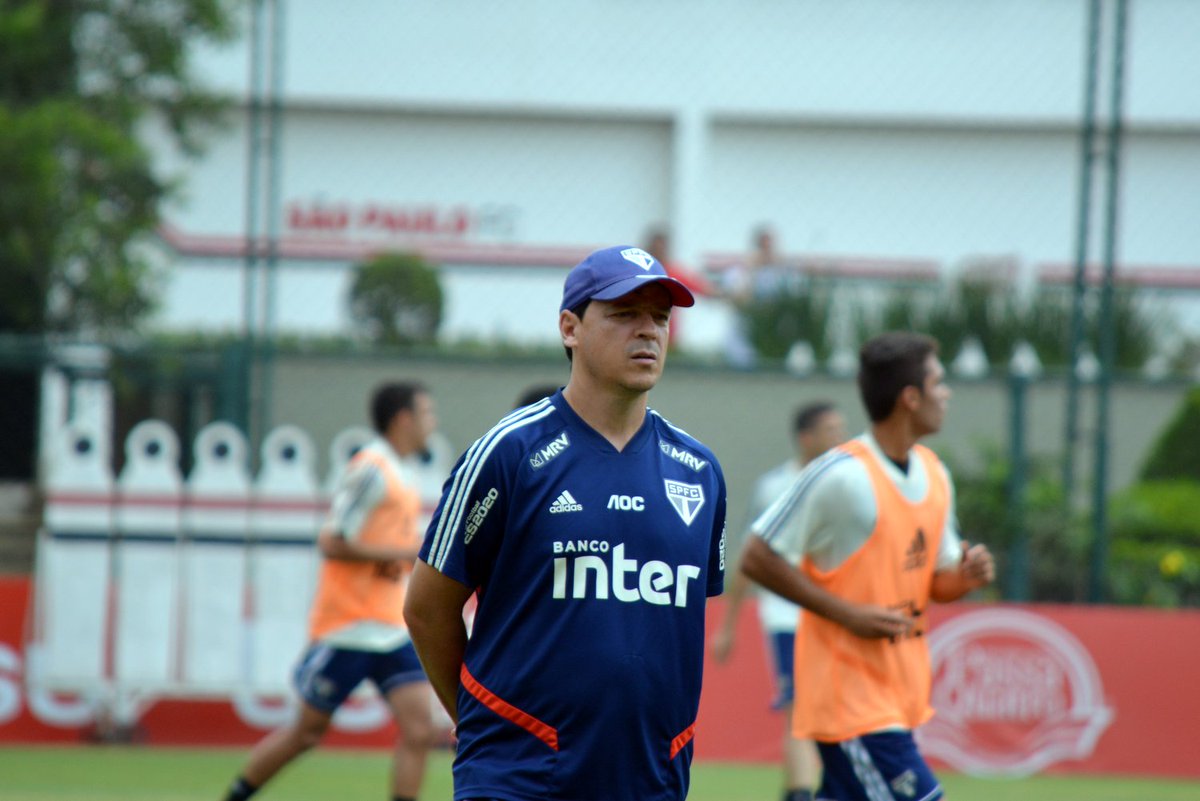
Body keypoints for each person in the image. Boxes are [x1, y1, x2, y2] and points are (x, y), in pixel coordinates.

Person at [404, 245, 728, 801]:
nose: (648, 331)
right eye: (624, 314)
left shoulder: (699, 471)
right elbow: (427, 608)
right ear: (569, 328)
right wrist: (483, 724)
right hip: (517, 776)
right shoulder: (508, 453)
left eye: (659, 317)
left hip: (651, 781)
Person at [740, 331, 995, 801]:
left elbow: (938, 583)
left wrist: (966, 577)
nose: (947, 394)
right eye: (938, 382)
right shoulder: (841, 475)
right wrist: (847, 613)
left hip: (899, 694)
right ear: (910, 398)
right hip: (849, 702)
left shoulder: (935, 473)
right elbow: (756, 555)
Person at [221, 381, 439, 801]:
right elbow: (332, 540)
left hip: (390, 627)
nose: (433, 423)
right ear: (403, 419)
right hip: (349, 627)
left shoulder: (403, 473)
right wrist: (404, 552)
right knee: (305, 734)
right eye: (427, 413)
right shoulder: (371, 469)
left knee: (419, 729)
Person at [710, 400, 847, 801]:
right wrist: (728, 626)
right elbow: (748, 557)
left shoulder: (850, 483)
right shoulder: (774, 487)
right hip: (789, 617)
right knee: (799, 709)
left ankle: (802, 791)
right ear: (806, 437)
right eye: (831, 430)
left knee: (828, 712)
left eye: (841, 429)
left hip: (841, 616)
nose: (840, 437)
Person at [643, 225, 713, 349]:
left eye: (663, 247)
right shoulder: (640, 270)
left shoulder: (672, 271)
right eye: (657, 246)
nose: (660, 250)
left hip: (667, 333)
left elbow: (701, 287)